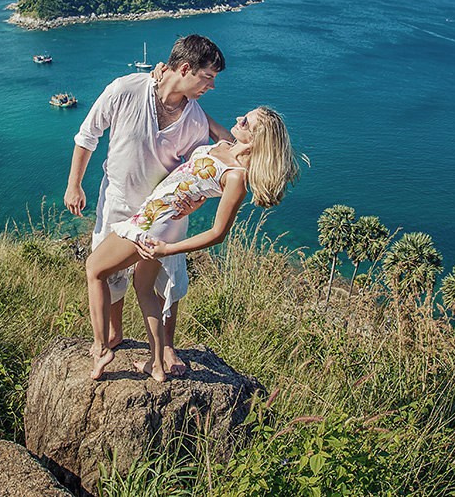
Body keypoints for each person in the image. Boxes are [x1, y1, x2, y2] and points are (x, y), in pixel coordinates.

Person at [87, 106, 298, 381]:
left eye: (245, 121)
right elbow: (199, 114)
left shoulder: (237, 177)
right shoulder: (226, 144)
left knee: (95, 269)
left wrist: (168, 250)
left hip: (155, 222)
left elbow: (218, 233)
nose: (237, 118)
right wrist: (170, 84)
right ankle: (156, 364)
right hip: (159, 216)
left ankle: (102, 347)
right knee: (144, 289)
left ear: (256, 138)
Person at [65, 34, 232, 376]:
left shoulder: (196, 119)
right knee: (108, 272)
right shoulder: (125, 90)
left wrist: (194, 206)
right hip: (118, 199)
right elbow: (88, 134)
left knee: (168, 279)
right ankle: (113, 333)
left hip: (163, 213)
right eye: (208, 76)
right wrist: (74, 184)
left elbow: (198, 173)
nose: (212, 86)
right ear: (185, 69)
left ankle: (166, 348)